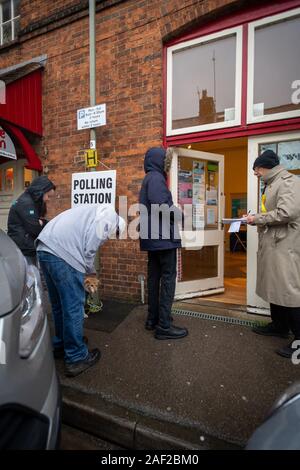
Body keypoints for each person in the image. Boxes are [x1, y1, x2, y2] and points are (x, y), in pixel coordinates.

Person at [36, 204, 125, 377]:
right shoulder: (108, 217)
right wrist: (90, 271)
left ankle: (63, 345)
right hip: (63, 254)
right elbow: (90, 249)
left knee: (59, 305)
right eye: (113, 235)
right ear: (117, 226)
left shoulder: (93, 212)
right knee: (74, 308)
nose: (108, 238)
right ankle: (76, 357)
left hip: (44, 248)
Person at [246, 150, 300, 358]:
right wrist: (255, 217)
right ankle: (279, 327)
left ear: (264, 167)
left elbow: (287, 212)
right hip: (274, 245)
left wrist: (257, 219)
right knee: (274, 287)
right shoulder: (272, 183)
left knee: (289, 291)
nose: (255, 174)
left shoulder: (288, 182)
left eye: (256, 170)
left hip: (285, 247)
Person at [139, 146, 188, 340]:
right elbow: (161, 206)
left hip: (153, 239)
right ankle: (164, 326)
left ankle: (154, 319)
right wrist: (180, 215)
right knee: (167, 279)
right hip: (163, 239)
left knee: (154, 278)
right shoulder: (157, 178)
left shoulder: (149, 178)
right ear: (160, 161)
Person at [7, 175, 56, 265]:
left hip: (25, 245)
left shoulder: (29, 200)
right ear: (41, 191)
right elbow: (35, 229)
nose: (47, 199)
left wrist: (42, 222)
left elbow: (37, 222)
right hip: (24, 248)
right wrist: (40, 223)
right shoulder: (26, 203)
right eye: (48, 195)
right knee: (30, 275)